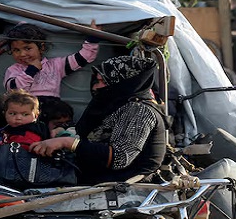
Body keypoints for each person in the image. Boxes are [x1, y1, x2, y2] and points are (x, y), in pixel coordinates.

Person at [30, 55, 166, 184]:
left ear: (123, 83)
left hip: (121, 186)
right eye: (96, 80)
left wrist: (67, 142)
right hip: (96, 178)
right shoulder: (120, 106)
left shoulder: (139, 110)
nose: (96, 87)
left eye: (102, 81)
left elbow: (119, 158)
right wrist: (63, 132)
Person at [2, 23, 99, 103]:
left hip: (52, 107)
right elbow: (15, 91)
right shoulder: (13, 70)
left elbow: (83, 58)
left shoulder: (55, 65)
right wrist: (31, 70)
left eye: (27, 48)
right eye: (16, 50)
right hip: (27, 108)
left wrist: (93, 37)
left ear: (42, 48)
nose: (22, 54)